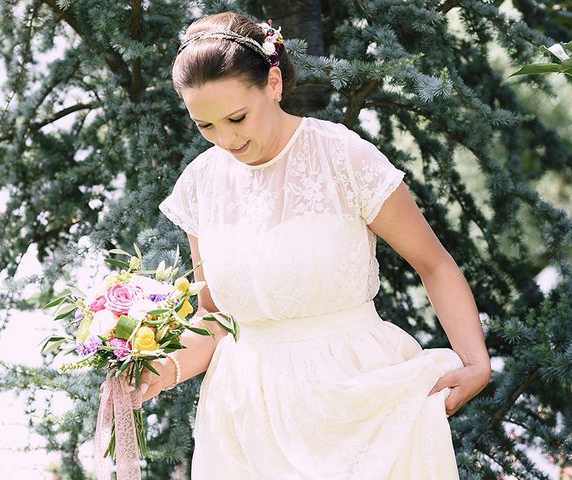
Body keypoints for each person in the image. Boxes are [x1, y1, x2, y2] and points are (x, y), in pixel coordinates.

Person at [140, 11, 491, 479]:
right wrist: (159, 371)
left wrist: (476, 363)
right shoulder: (201, 183)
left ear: (274, 82)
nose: (225, 139)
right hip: (244, 417)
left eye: (237, 117)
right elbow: (216, 317)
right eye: (205, 126)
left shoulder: (343, 155)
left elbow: (434, 264)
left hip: (355, 400)